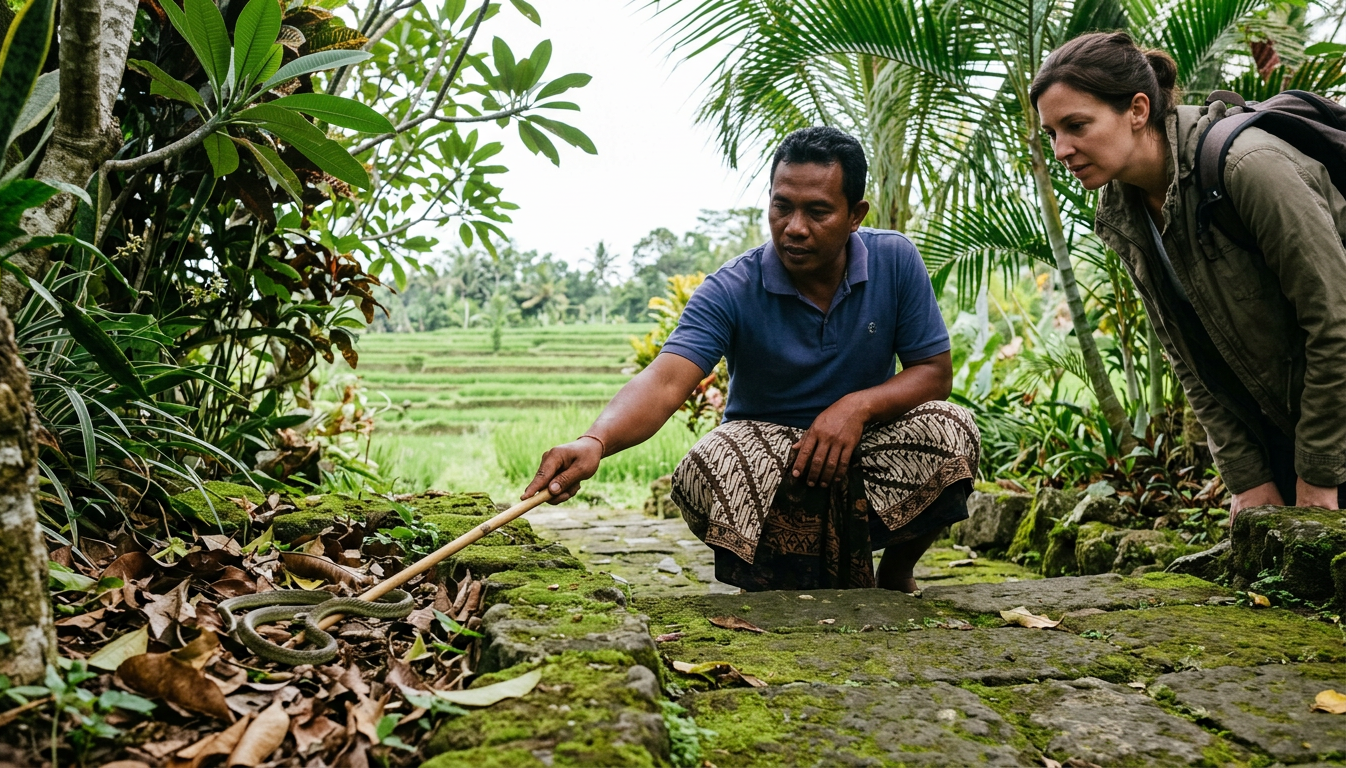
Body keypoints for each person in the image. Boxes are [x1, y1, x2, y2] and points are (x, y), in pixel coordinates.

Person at [523, 127, 979, 593]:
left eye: (818, 211)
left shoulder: (895, 260)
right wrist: (595, 441)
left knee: (950, 428)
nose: (795, 226)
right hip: (768, 457)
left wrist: (855, 408)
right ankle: (767, 589)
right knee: (711, 465)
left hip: (863, 441)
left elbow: (933, 374)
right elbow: (664, 381)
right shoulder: (730, 288)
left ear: (855, 215)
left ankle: (896, 574)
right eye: (782, 206)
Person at [1032, 32, 1346, 518]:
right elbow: (1190, 359)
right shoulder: (1124, 210)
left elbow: (1336, 322)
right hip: (1296, 431)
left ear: (1137, 110)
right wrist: (1250, 478)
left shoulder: (1248, 167)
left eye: (1076, 125)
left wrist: (1321, 469)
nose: (1061, 150)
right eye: (1051, 133)